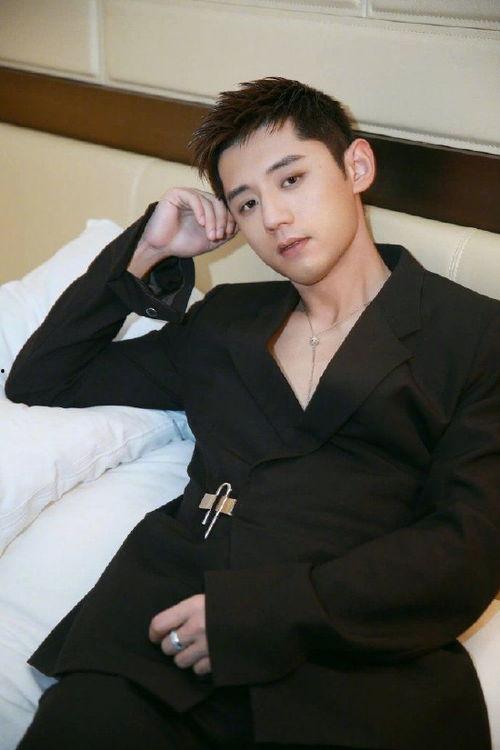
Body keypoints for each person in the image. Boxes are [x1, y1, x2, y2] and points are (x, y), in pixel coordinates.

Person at [6, 77, 499, 750]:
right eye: (246, 202)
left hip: (346, 668)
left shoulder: (474, 337)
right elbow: (45, 376)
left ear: (356, 166)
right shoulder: (225, 324)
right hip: (156, 649)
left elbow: (466, 550)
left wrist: (258, 615)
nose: (273, 217)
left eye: (291, 179)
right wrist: (147, 251)